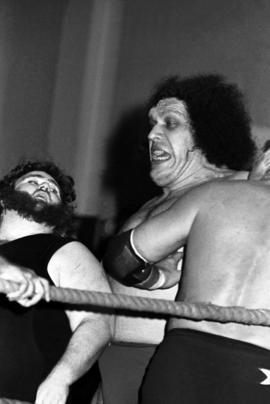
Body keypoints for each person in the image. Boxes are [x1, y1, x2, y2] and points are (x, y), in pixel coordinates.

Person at [98, 73, 257, 404]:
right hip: (112, 361)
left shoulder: (238, 189)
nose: (153, 133)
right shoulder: (152, 204)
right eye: (153, 124)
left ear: (208, 133)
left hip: (179, 361)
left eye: (170, 123)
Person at [0, 160, 113, 404]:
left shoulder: (64, 250)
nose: (45, 187)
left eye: (53, 188)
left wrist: (61, 378)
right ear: (4, 198)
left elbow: (97, 321)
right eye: (33, 181)